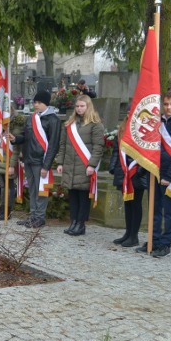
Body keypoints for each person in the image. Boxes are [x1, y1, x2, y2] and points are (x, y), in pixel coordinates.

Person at [9, 89, 61, 228]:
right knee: (32, 189)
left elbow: (53, 145)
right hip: (28, 159)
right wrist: (16, 139)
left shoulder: (53, 120)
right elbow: (26, 137)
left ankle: (40, 217)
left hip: (41, 161)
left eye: (39, 102)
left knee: (41, 190)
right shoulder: (32, 118)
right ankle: (33, 215)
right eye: (35, 102)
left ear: (46, 103)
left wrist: (46, 166)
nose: (36, 105)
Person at [55, 95, 104, 236]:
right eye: (77, 106)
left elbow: (98, 147)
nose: (79, 109)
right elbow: (63, 145)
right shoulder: (70, 124)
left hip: (85, 165)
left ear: (88, 107)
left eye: (82, 106)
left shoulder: (95, 125)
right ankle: (73, 221)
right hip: (70, 165)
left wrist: (92, 165)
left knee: (83, 196)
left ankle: (81, 224)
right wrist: (60, 162)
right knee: (73, 195)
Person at [137, 90, 171, 257]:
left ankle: (166, 244)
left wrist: (169, 176)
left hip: (170, 176)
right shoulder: (157, 122)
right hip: (155, 171)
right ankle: (154, 239)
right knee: (155, 208)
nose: (168, 107)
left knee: (169, 212)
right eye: (165, 104)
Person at [109, 119, 147, 249]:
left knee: (136, 204)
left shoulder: (144, 129)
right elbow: (116, 150)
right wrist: (113, 167)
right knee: (127, 203)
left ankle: (134, 236)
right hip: (123, 171)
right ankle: (128, 233)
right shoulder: (122, 128)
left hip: (136, 173)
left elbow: (146, 153)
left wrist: (140, 171)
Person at [0, 108, 24, 220]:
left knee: (9, 187)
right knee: (3, 186)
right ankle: (1, 209)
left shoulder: (15, 126)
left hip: (9, 161)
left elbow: (16, 149)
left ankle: (7, 210)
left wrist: (12, 165)